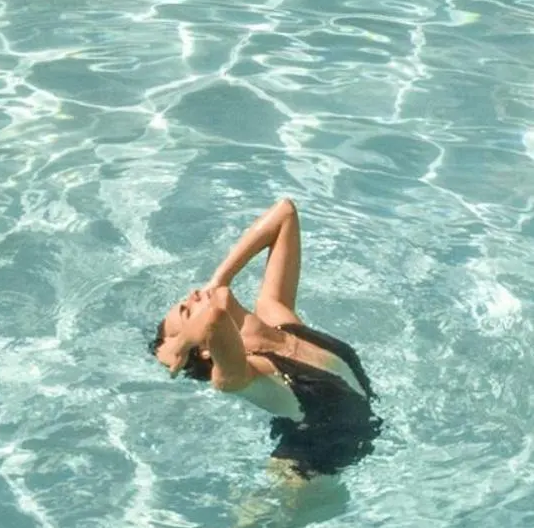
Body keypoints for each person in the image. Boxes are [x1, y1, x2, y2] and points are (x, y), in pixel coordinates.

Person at [150, 197, 380, 479]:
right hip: (305, 475)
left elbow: (285, 213)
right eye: (187, 312)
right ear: (206, 349)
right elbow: (217, 317)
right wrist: (180, 344)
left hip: (358, 438)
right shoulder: (244, 375)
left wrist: (218, 280)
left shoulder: (278, 318)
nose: (193, 294)